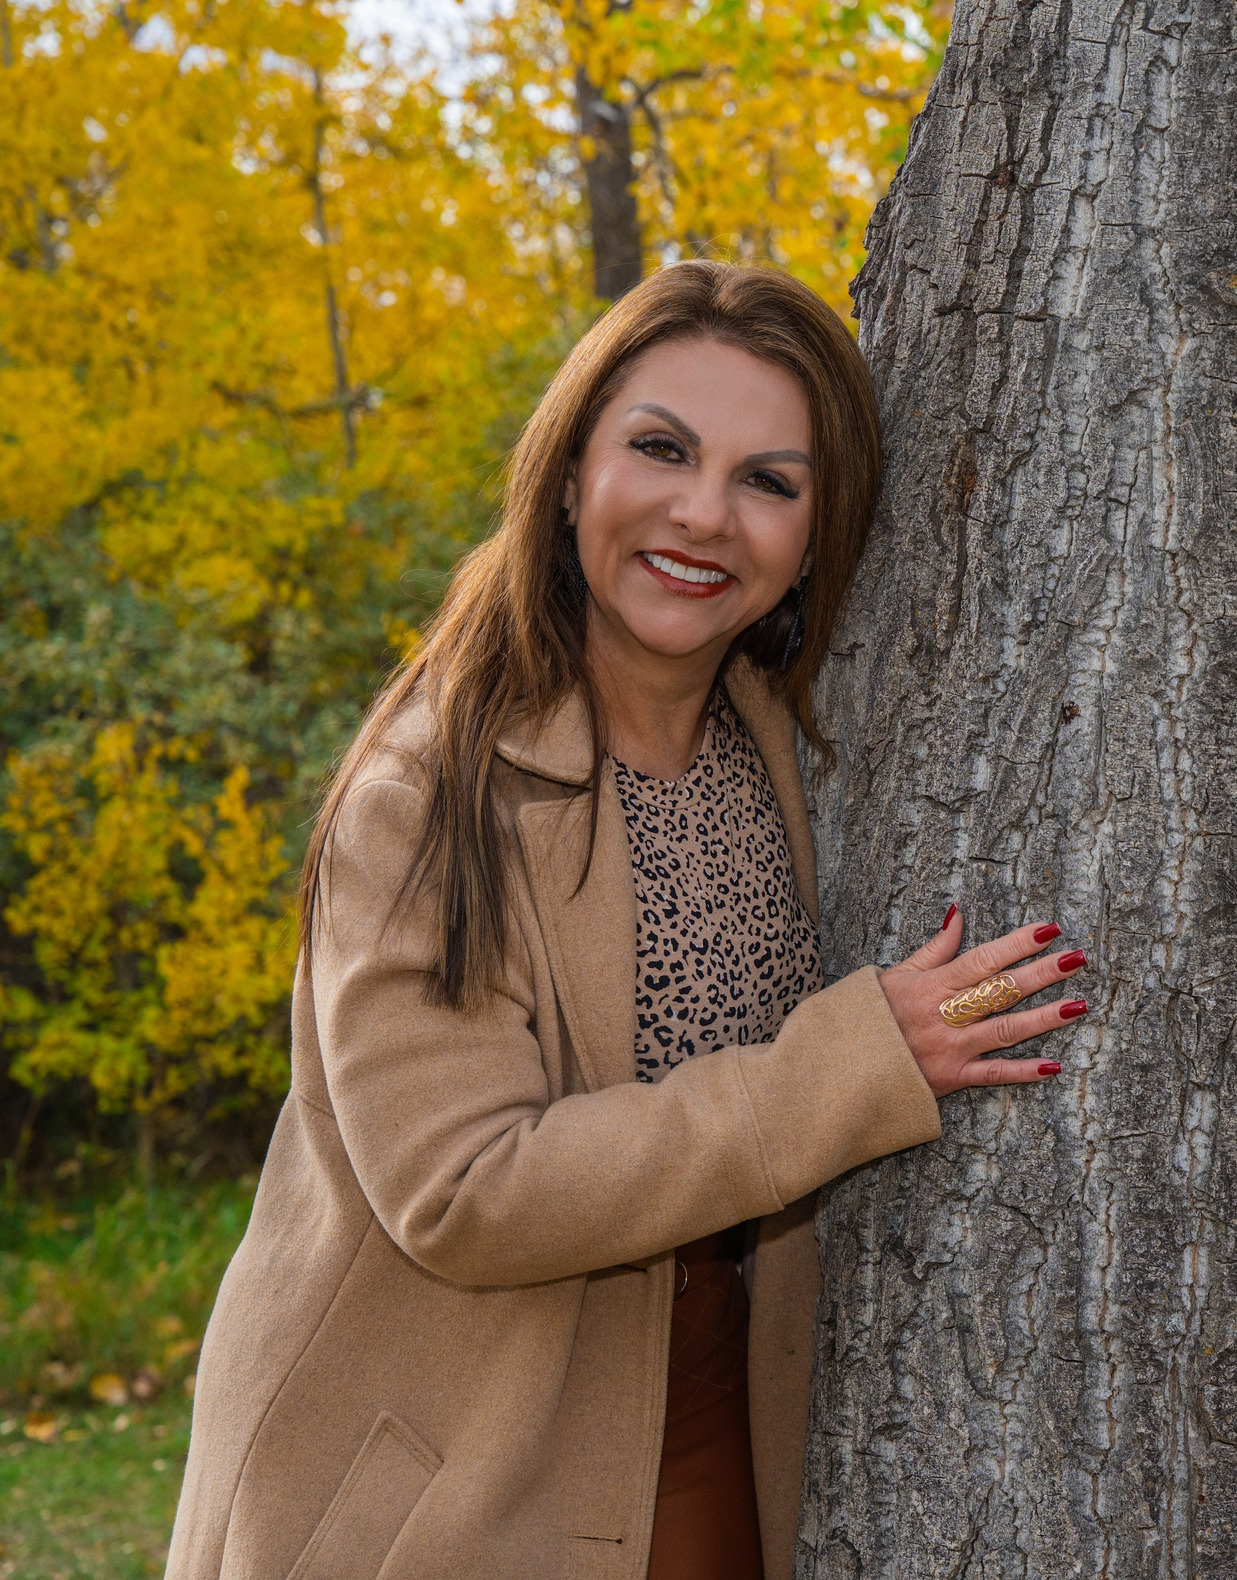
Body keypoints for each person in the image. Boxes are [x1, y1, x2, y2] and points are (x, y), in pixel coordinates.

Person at [167, 262, 1092, 1580]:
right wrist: (851, 1068)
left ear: (817, 533)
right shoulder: (428, 792)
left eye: (768, 480)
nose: (704, 513)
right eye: (661, 449)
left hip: (715, 1424)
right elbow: (462, 1189)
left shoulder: (780, 739)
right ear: (568, 473)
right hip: (447, 1477)